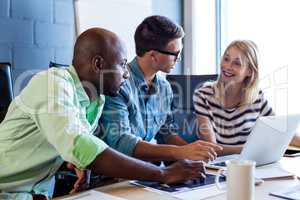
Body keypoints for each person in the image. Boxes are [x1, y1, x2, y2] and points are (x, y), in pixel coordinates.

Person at [0, 28, 206, 200]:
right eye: (122, 64)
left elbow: (73, 145)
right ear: (98, 65)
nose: (126, 73)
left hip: (36, 194)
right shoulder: (52, 84)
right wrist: (164, 174)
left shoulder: (97, 100)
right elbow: (83, 145)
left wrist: (74, 162)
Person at [100, 15, 222, 163]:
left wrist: (197, 154)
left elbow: (166, 134)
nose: (179, 59)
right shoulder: (117, 84)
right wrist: (181, 152)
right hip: (115, 174)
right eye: (175, 54)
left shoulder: (165, 88)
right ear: (153, 55)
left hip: (147, 172)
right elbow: (121, 143)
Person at [193, 40, 300, 155]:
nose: (227, 66)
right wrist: (252, 149)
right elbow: (211, 148)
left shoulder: (257, 97)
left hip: (249, 163)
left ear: (249, 71)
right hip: (219, 166)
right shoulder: (203, 95)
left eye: (237, 63)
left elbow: (281, 131)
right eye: (226, 59)